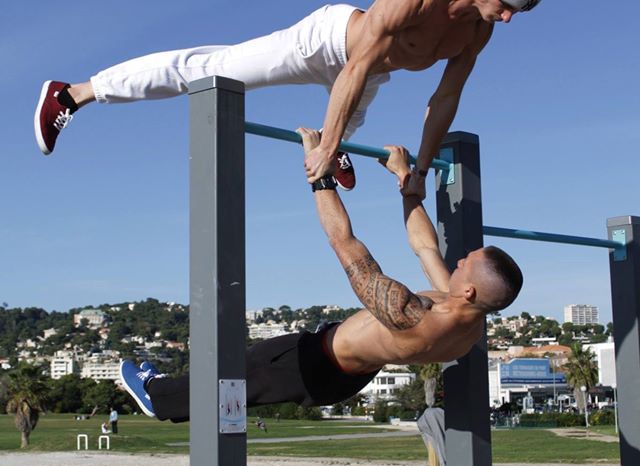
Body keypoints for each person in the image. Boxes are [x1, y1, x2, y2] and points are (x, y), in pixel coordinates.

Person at [35, 0, 561, 191]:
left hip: (368, 77)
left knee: (352, 112)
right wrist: (327, 147)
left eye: (522, 12)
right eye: (510, 5)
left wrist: (421, 170)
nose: (510, 18)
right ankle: (77, 93)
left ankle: (341, 141)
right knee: (212, 72)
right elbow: (355, 64)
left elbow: (445, 98)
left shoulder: (477, 31)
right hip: (328, 43)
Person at [118, 129, 522, 421]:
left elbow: (343, 242)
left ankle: (158, 395)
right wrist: (408, 187)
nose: (462, 257)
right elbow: (425, 248)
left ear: (468, 289)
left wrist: (319, 170)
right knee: (236, 376)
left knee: (233, 376)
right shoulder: (468, 325)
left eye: (468, 261)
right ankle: (169, 392)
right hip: (346, 373)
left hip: (314, 362)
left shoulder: (411, 314)